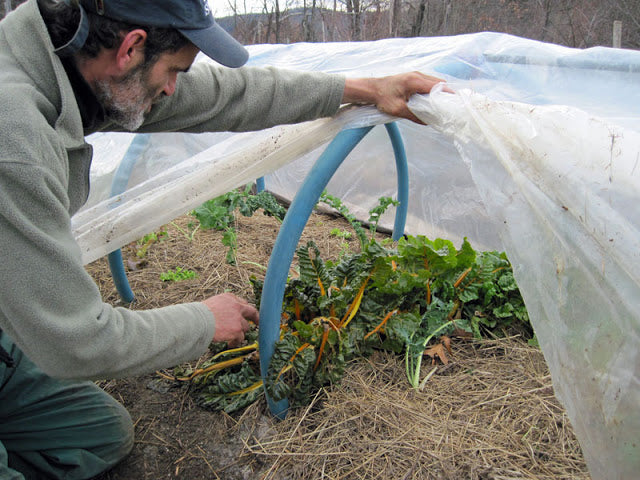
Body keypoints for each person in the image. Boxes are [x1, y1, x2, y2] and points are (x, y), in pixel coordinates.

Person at [0, 0, 446, 478]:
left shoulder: (72, 69)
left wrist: (364, 88)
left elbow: (224, 95)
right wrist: (203, 321)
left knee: (100, 435)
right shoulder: (14, 140)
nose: (173, 89)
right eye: (174, 71)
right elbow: (77, 343)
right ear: (131, 48)